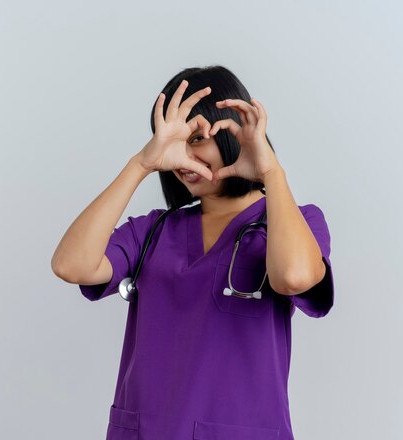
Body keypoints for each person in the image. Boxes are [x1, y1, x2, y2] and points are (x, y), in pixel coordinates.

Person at [51, 65, 335, 440]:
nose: (184, 155)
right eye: (173, 141)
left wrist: (272, 174)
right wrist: (141, 164)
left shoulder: (294, 223)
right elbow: (71, 264)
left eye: (197, 138)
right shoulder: (152, 231)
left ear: (234, 132)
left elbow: (294, 277)